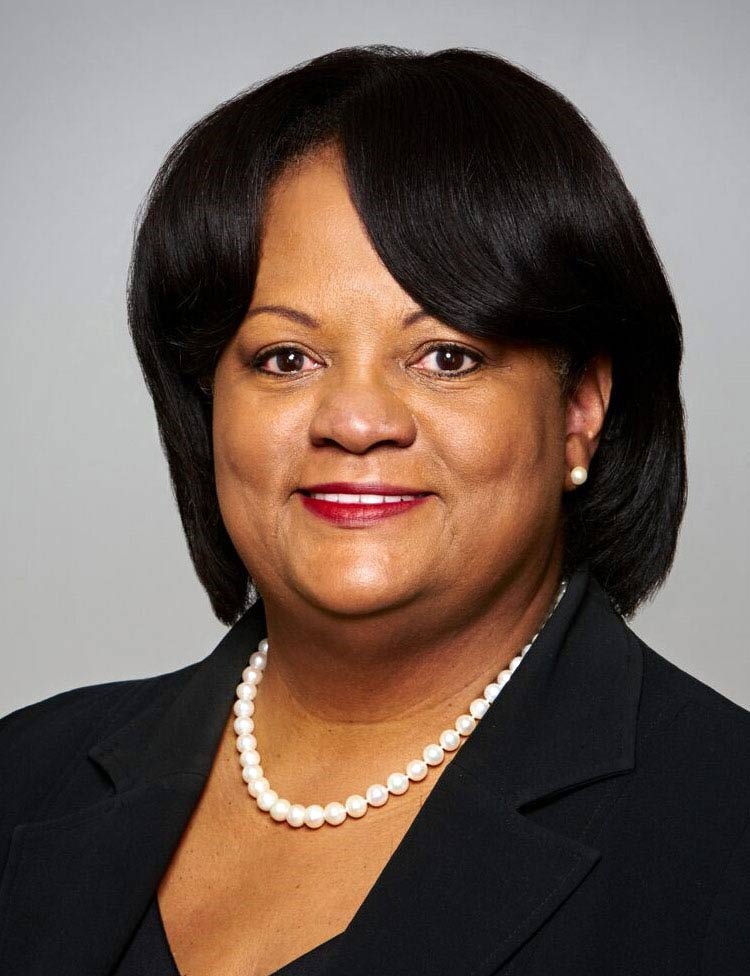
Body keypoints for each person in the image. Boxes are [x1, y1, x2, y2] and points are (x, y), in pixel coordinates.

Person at [0, 43, 748, 976]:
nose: (355, 422)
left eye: (446, 357)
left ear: (578, 412)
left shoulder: (725, 832)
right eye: (285, 359)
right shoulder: (23, 775)